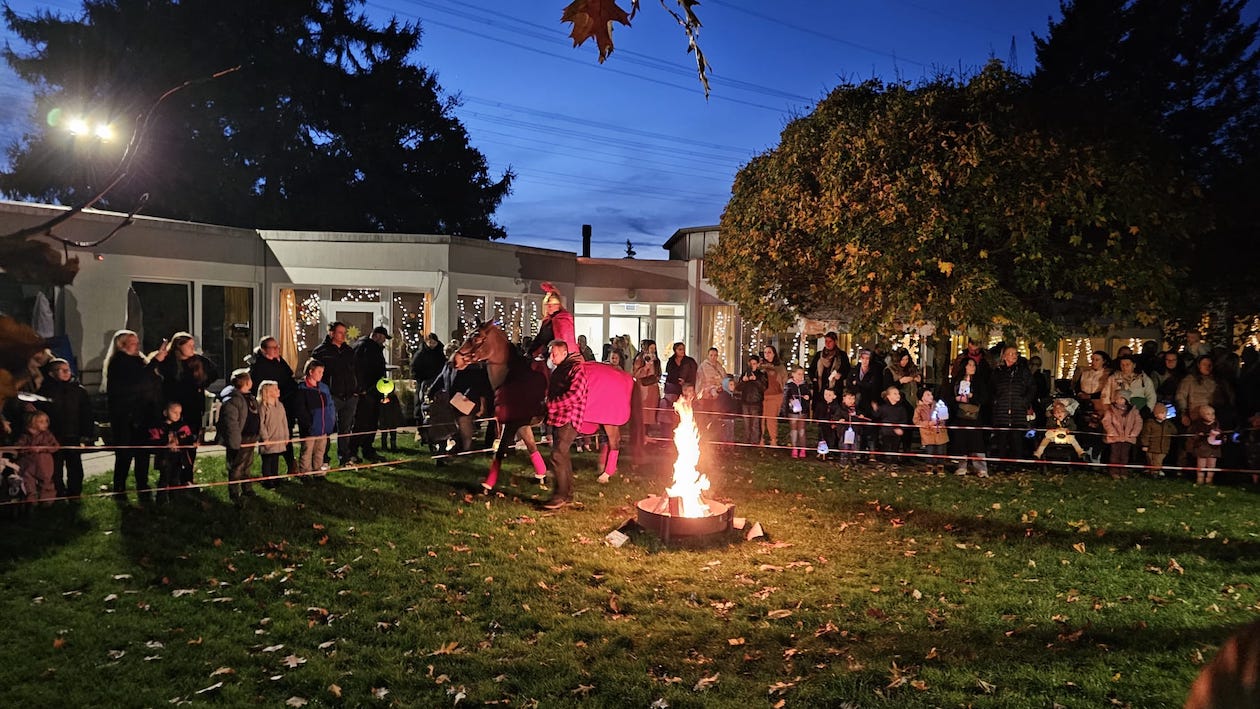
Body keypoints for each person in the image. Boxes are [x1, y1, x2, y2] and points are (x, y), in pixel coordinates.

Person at [102, 330, 167, 497]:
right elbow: (137, 381)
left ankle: (142, 486)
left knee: (143, 453)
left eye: (138, 342)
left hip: (143, 414)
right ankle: (119, 488)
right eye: (133, 342)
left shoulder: (139, 360)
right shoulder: (119, 363)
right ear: (122, 345)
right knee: (124, 454)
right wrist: (154, 362)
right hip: (126, 416)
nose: (138, 345)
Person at [158, 332, 219, 473]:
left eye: (193, 345)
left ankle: (188, 473)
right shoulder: (169, 363)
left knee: (191, 440)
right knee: (175, 441)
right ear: (179, 346)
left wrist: (202, 384)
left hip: (194, 407)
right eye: (189, 345)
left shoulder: (198, 361)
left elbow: (214, 373)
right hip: (175, 408)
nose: (193, 348)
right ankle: (173, 474)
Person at [35, 358, 94, 499]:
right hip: (53, 436)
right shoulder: (45, 391)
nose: (67, 372)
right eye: (63, 370)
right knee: (55, 467)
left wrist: (87, 433)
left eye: (68, 369)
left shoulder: (78, 390)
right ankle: (58, 492)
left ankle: (75, 492)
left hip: (73, 434)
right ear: (51, 373)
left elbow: (86, 413)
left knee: (75, 465)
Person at [542, 339, 589, 510]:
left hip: (569, 418)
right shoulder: (561, 369)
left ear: (564, 353)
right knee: (563, 455)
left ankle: (560, 495)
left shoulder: (576, 369)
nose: (551, 357)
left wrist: (552, 405)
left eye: (554, 353)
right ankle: (567, 493)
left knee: (557, 455)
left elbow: (575, 395)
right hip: (559, 417)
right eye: (550, 353)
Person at [311, 322, 358, 468]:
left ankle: (344, 457)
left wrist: (356, 388)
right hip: (331, 395)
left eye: (344, 332)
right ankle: (323, 458)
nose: (343, 336)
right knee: (327, 428)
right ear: (331, 333)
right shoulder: (321, 352)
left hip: (349, 395)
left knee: (345, 428)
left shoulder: (348, 351)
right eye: (340, 332)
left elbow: (355, 370)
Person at [248, 336, 297, 475]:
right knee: (270, 439)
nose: (277, 350)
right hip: (269, 407)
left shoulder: (279, 362)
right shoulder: (259, 366)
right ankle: (269, 474)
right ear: (264, 350)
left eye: (278, 347)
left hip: (283, 405)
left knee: (286, 435)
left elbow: (288, 378)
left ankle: (291, 463)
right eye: (273, 348)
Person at [349, 325, 390, 463]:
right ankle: (353, 450)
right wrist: (362, 388)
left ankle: (367, 449)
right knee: (362, 422)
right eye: (383, 338)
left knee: (371, 422)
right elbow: (358, 368)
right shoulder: (365, 347)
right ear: (377, 336)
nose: (384, 341)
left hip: (373, 390)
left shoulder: (372, 348)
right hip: (367, 392)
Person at [218, 369, 260, 504]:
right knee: (237, 466)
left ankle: (247, 488)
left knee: (247, 464)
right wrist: (234, 442)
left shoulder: (250, 397)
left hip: (251, 436)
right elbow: (231, 424)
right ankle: (234, 491)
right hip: (240, 438)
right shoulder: (233, 401)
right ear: (247, 382)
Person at [990, 346, 1035, 469]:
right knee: (1002, 439)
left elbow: (1032, 389)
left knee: (1017, 439)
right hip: (1002, 410)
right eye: (1011, 353)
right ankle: (1001, 464)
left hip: (1018, 410)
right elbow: (992, 389)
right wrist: (997, 401)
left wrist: (1023, 402)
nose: (1014, 356)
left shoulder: (1023, 371)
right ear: (1004, 356)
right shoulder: (998, 372)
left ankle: (1017, 464)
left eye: (1016, 353)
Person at [147, 401, 197, 502]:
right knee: (164, 479)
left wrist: (192, 442)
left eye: (179, 412)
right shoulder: (159, 427)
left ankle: (175, 500)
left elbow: (189, 439)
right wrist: (165, 443)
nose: (177, 415)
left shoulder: (183, 427)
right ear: (165, 413)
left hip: (179, 458)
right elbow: (154, 441)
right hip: (164, 458)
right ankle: (161, 500)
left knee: (176, 478)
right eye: (174, 412)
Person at [293, 360, 335, 479]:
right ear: (311, 372)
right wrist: (308, 423)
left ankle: (318, 471)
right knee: (307, 451)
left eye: (322, 372)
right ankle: (305, 472)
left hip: (322, 426)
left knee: (320, 451)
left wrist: (330, 421)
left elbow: (330, 405)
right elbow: (301, 410)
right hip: (310, 427)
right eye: (319, 372)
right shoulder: (302, 389)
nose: (322, 374)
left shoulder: (324, 388)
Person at [950, 357, 990, 477]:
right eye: (970, 365)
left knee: (977, 442)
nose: (972, 368)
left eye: (974, 365)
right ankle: (962, 466)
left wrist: (972, 396)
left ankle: (981, 468)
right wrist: (956, 399)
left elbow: (984, 398)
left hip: (975, 415)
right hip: (960, 414)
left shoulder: (979, 381)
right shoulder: (957, 381)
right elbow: (949, 397)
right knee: (961, 440)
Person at [15, 410, 58, 505]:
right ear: (32, 423)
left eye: (46, 421)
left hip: (45, 463)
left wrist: (44, 448)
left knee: (46, 481)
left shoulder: (47, 435)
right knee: (28, 482)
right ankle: (31, 502)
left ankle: (47, 501)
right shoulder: (25, 436)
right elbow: (18, 447)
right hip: (28, 464)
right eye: (41, 422)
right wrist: (29, 449)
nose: (45, 424)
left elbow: (56, 446)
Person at [526, 282, 578, 361]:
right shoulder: (547, 321)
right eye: (548, 305)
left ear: (558, 305)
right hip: (546, 355)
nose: (549, 307)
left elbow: (563, 342)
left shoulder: (563, 319)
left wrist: (547, 353)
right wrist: (529, 352)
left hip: (562, 357)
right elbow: (539, 339)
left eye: (552, 305)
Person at [846, 349, 884, 452]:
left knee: (869, 428)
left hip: (869, 402)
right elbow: (849, 384)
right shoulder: (854, 370)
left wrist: (858, 383)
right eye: (863, 358)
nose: (865, 361)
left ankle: (869, 450)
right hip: (856, 401)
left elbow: (875, 387)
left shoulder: (875, 371)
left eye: (868, 358)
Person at [256, 380, 290, 489]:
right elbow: (261, 424)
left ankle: (275, 478)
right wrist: (265, 438)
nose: (278, 391)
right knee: (267, 460)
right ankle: (267, 480)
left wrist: (286, 436)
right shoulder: (263, 407)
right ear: (267, 392)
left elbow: (284, 422)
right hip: (269, 439)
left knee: (275, 459)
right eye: (275, 389)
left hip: (278, 438)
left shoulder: (280, 405)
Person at [809, 332, 850, 418]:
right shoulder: (819, 355)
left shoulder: (841, 355)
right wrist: (814, 379)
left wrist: (841, 375)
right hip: (821, 388)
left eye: (830, 341)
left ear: (835, 342)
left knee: (834, 412)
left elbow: (847, 370)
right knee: (821, 412)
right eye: (826, 341)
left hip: (835, 389)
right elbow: (811, 370)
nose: (827, 343)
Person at [1101, 394, 1142, 479]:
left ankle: (1123, 472)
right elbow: (1106, 422)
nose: (1119, 400)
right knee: (1114, 455)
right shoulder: (1110, 410)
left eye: (1122, 398)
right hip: (1115, 437)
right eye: (1118, 398)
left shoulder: (1133, 411)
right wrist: (1112, 432)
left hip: (1128, 437)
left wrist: (1134, 432)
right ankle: (1114, 472)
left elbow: (1138, 422)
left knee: (1125, 455)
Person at [410, 333, 447, 421]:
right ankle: (419, 418)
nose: (432, 344)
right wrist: (417, 378)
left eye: (434, 342)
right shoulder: (421, 353)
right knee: (421, 399)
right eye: (430, 342)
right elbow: (414, 367)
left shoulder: (440, 352)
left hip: (437, 380)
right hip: (424, 380)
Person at [913, 388, 950, 475]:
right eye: (928, 395)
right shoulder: (919, 409)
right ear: (922, 397)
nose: (931, 396)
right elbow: (916, 421)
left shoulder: (938, 405)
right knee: (930, 451)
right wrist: (928, 423)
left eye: (931, 394)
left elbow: (944, 417)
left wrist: (941, 420)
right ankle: (929, 467)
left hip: (939, 432)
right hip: (927, 434)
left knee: (941, 451)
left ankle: (940, 467)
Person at [632, 340, 661, 439]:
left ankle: (647, 433)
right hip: (644, 388)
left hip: (653, 388)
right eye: (651, 348)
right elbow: (636, 374)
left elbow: (658, 372)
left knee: (651, 412)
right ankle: (641, 435)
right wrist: (645, 368)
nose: (653, 350)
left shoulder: (656, 359)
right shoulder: (640, 358)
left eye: (654, 348)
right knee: (644, 412)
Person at [1188, 404, 1223, 485]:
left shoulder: (1217, 425)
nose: (1211, 416)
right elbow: (1192, 436)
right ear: (1202, 415)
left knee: (1212, 465)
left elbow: (1222, 436)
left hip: (1214, 449)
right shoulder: (1197, 425)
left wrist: (1220, 435)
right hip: (1201, 448)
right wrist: (1198, 435)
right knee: (1201, 465)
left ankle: (1209, 481)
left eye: (1213, 414)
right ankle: (1200, 480)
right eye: (1208, 414)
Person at [1139, 402, 1177, 477]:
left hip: (1163, 448)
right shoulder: (1150, 423)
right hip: (1151, 446)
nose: (1164, 415)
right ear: (1156, 414)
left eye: (1165, 412)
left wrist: (1170, 425)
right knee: (1150, 460)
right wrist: (1145, 445)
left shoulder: (1168, 424)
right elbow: (1145, 434)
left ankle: (1155, 473)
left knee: (1158, 461)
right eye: (1162, 413)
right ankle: (1151, 472)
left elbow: (1174, 432)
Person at [737, 354, 768, 446]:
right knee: (746, 423)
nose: (753, 365)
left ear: (758, 364)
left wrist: (755, 380)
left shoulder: (761, 375)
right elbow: (738, 388)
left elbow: (764, 387)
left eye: (754, 363)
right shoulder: (745, 374)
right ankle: (747, 441)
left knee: (755, 423)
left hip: (756, 402)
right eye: (751, 364)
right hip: (745, 402)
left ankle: (755, 442)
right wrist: (743, 381)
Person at [760, 345, 787, 447]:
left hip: (775, 396)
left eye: (769, 352)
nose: (767, 354)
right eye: (765, 352)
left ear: (774, 354)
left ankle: (773, 439)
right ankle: (761, 439)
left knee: (771, 419)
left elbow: (784, 380)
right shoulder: (760, 366)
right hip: (762, 396)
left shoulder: (779, 367)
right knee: (761, 418)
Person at [871, 386, 909, 458]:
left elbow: (904, 420)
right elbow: (877, 416)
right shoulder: (883, 407)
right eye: (895, 394)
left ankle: (893, 463)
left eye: (898, 393)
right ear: (888, 396)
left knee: (895, 448)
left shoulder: (902, 409)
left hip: (896, 433)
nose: (898, 395)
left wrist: (901, 429)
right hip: (885, 432)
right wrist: (875, 409)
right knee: (886, 448)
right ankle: (885, 463)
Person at [781, 367, 811, 458]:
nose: (801, 376)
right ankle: (794, 448)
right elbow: (785, 399)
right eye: (799, 374)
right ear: (793, 374)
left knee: (802, 430)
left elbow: (810, 395)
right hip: (792, 412)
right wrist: (786, 409)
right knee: (793, 430)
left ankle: (802, 448)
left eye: (802, 374)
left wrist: (808, 397)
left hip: (803, 412)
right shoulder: (789, 385)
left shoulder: (805, 385)